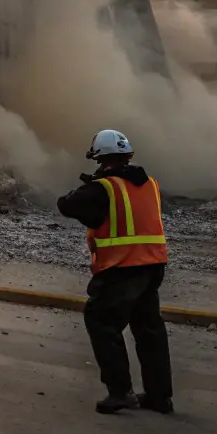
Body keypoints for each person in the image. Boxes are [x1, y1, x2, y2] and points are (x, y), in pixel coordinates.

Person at [56, 129, 173, 415]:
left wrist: (93, 183)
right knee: (149, 330)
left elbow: (67, 204)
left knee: (101, 321)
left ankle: (120, 392)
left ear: (100, 158)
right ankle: (160, 397)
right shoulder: (149, 184)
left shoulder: (104, 188)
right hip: (153, 265)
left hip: (122, 268)